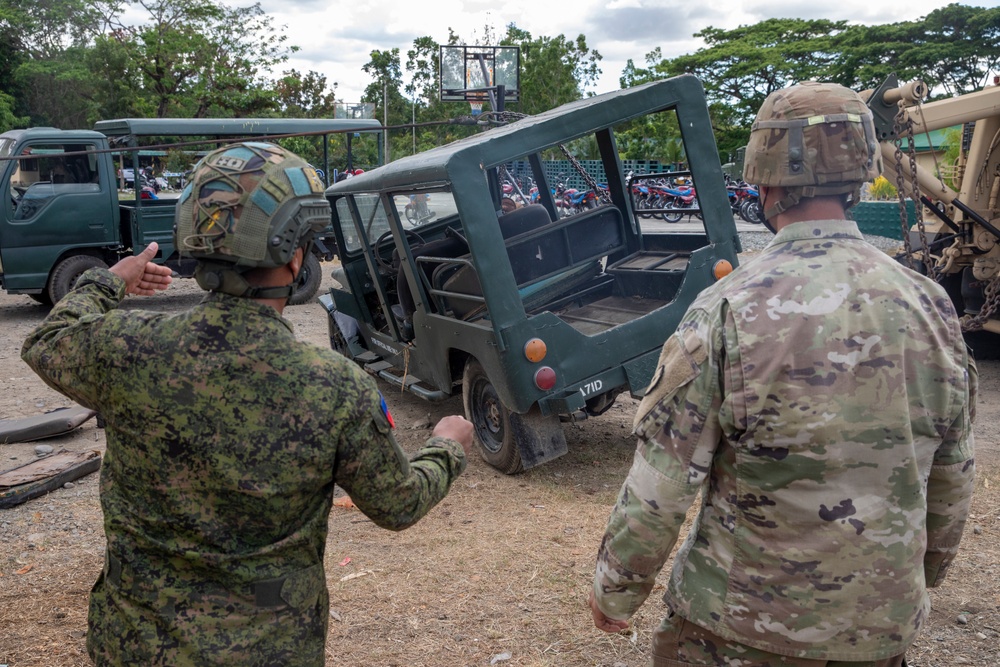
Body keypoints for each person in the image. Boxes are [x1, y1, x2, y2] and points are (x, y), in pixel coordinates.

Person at [22, 142, 474, 665]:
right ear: (294, 254)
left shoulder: (128, 347)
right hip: (269, 647)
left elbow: (46, 342)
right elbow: (397, 505)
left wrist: (110, 280)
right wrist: (446, 447)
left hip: (134, 643)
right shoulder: (331, 385)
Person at [588, 82, 977, 666]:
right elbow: (953, 471)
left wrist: (617, 587)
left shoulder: (726, 308)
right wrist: (920, 574)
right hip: (877, 630)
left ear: (764, 177)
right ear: (859, 173)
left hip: (739, 632)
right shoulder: (931, 305)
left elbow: (664, 483)